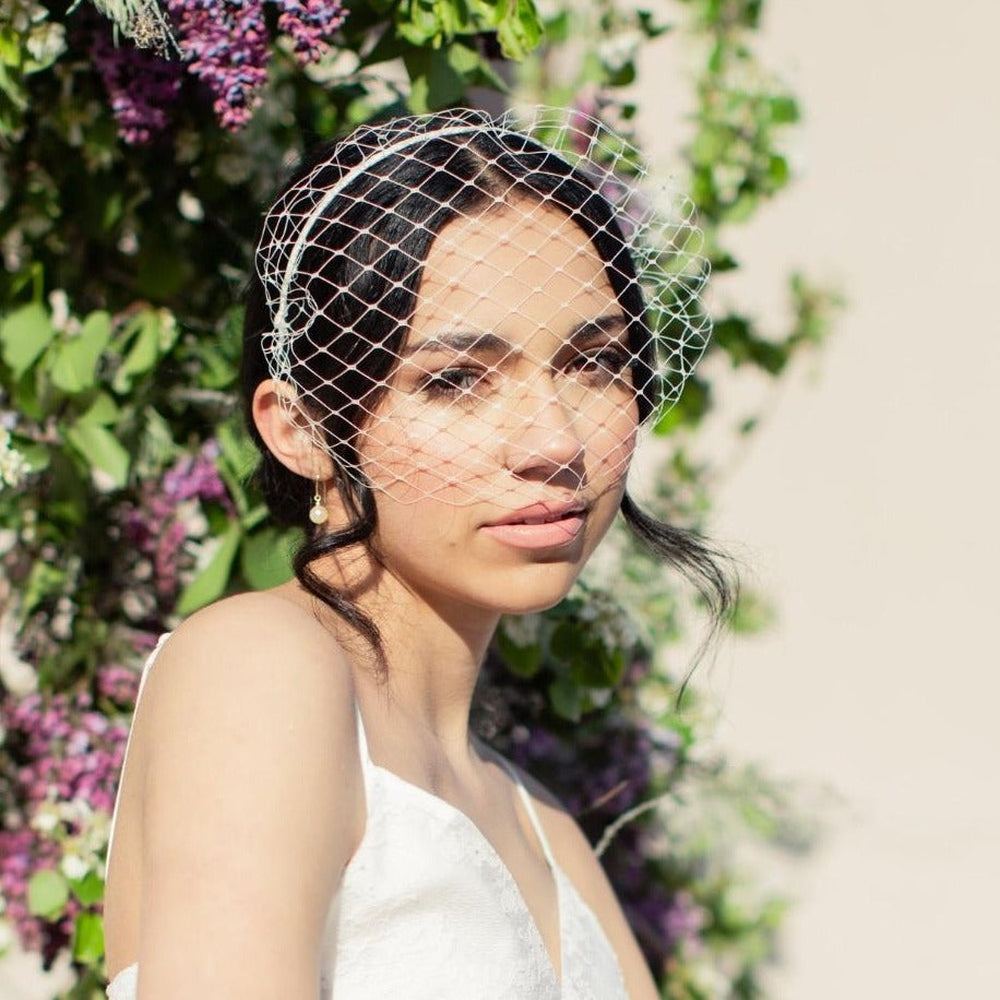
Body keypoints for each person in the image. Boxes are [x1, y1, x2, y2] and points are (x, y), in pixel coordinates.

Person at [101, 107, 730, 1000]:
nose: (553, 440)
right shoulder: (260, 671)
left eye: (593, 363)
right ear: (304, 429)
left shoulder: (544, 826)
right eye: (457, 380)